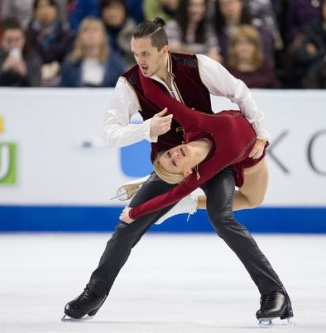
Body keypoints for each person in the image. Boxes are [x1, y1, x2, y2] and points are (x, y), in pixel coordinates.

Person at [62, 18, 293, 325]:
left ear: (164, 50)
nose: (140, 61)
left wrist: (261, 131)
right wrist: (145, 129)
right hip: (171, 165)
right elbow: (109, 134)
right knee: (128, 227)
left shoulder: (196, 65)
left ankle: (274, 294)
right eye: (135, 54)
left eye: (145, 54)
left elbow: (238, 91)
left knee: (221, 217)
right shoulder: (129, 84)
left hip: (214, 156)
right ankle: (95, 292)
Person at [117, 66, 270, 223]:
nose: (175, 154)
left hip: (222, 156)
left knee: (246, 197)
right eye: (174, 161)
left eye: (169, 154)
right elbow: (168, 198)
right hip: (248, 158)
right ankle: (190, 203)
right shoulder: (200, 173)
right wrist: (133, 213)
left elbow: (154, 95)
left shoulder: (194, 123)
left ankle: (179, 188)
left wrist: (143, 63)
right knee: (252, 200)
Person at [60, 17, 125, 87]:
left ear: (103, 36)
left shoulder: (116, 63)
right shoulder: (70, 65)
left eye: (95, 30)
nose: (91, 34)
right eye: (86, 30)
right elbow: (65, 92)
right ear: (80, 37)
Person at [0, 18, 42, 87]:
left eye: (17, 40)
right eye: (9, 40)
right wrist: (4, 71)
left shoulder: (33, 60)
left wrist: (24, 75)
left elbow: (36, 90)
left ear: (24, 40)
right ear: (1, 41)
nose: (13, 44)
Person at [26, 0, 73, 86]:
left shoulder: (64, 32)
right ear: (34, 11)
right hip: (33, 76)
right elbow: (27, 56)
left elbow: (69, 55)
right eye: (41, 7)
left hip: (60, 76)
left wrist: (58, 67)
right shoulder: (27, 34)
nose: (45, 11)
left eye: (48, 6)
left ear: (56, 11)